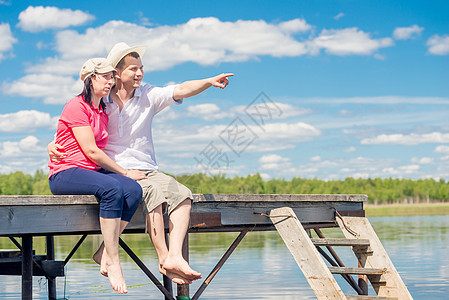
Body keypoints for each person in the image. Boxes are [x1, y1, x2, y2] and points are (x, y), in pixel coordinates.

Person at [49, 42, 234, 285]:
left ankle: (175, 256)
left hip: (146, 168)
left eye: (141, 68)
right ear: (117, 72)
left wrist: (208, 81)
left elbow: (181, 89)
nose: (139, 73)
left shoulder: (146, 95)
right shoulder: (102, 100)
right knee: (150, 192)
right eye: (132, 69)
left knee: (182, 194)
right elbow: (73, 129)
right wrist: (51, 145)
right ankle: (164, 258)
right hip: (112, 170)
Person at [48, 57, 147, 294]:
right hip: (66, 173)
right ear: (91, 79)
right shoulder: (76, 105)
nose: (110, 81)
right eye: (105, 77)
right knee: (113, 188)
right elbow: (91, 151)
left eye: (112, 76)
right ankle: (114, 260)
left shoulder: (101, 108)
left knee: (133, 190)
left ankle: (103, 251)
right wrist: (124, 172)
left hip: (90, 172)